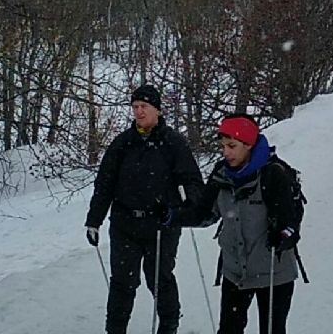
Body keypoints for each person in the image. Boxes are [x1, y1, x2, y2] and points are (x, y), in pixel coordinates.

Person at [170, 114, 304, 334]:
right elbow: (205, 214)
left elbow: (291, 222)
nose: (226, 152)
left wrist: (283, 236)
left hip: (273, 272)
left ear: (249, 145)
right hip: (235, 272)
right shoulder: (221, 174)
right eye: (223, 146)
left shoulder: (274, 174)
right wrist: (173, 216)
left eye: (232, 146)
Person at [86, 84, 203, 334]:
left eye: (144, 107)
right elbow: (104, 184)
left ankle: (169, 326)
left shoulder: (172, 143)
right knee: (122, 282)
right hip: (125, 223)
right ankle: (115, 330)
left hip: (161, 224)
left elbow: (192, 180)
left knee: (160, 280)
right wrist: (93, 220)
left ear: (157, 110)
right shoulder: (122, 143)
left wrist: (189, 208)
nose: (139, 112)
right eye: (135, 107)